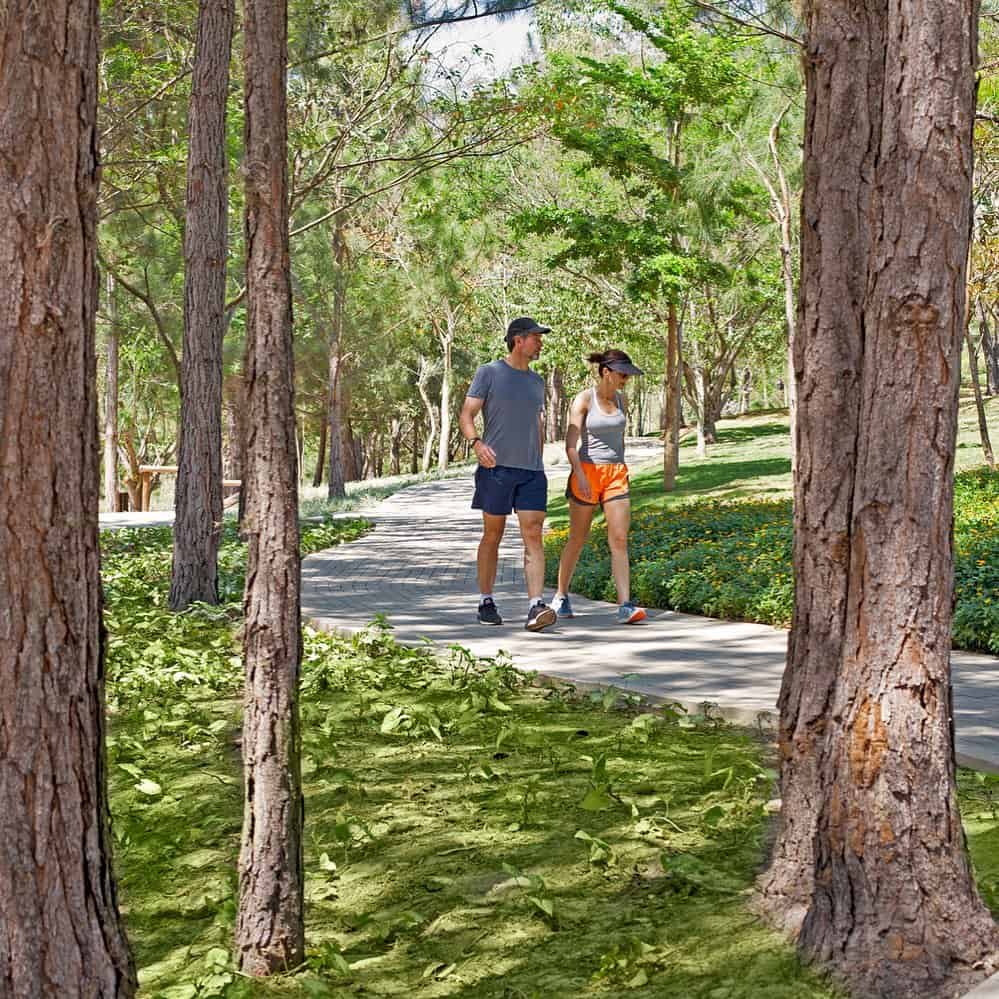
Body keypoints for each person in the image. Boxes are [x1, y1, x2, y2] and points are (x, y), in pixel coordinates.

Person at [459, 317, 557, 632]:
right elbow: (467, 414)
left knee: (533, 533)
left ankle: (535, 605)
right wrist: (477, 443)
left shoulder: (537, 382)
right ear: (519, 340)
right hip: (496, 469)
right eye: (536, 338)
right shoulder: (489, 373)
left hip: (531, 472)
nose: (540, 343)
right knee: (493, 534)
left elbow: (537, 425)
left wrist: (539, 460)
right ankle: (486, 600)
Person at [551, 348, 647, 624]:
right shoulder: (583, 400)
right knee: (578, 538)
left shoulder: (621, 399)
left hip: (616, 473)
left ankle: (625, 605)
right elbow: (570, 444)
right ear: (606, 372)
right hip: (586, 472)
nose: (626, 380)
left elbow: (619, 439)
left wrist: (622, 467)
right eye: (622, 375)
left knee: (619, 538)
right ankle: (561, 595)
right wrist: (579, 475)